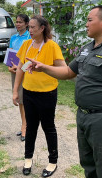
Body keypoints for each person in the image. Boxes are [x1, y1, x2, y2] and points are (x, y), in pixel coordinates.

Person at [26, 6, 102, 178]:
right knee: (89, 167)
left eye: (89, 20)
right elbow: (67, 72)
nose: (86, 24)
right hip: (84, 117)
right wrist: (43, 68)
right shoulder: (87, 49)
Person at [12, 15, 65, 177]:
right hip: (29, 93)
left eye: (33, 27)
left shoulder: (52, 46)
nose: (30, 30)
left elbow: (63, 69)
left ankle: (52, 161)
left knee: (48, 127)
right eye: (29, 27)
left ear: (42, 28)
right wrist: (15, 91)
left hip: (47, 94)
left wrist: (45, 68)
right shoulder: (26, 44)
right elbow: (21, 66)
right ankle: (28, 158)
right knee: (31, 127)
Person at [8, 14, 31, 142]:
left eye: (20, 22)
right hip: (14, 72)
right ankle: (24, 124)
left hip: (26, 72)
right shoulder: (13, 38)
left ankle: (25, 126)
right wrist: (9, 67)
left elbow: (32, 57)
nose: (18, 24)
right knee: (19, 99)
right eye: (16, 22)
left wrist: (21, 69)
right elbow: (10, 54)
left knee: (24, 100)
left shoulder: (30, 38)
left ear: (27, 24)